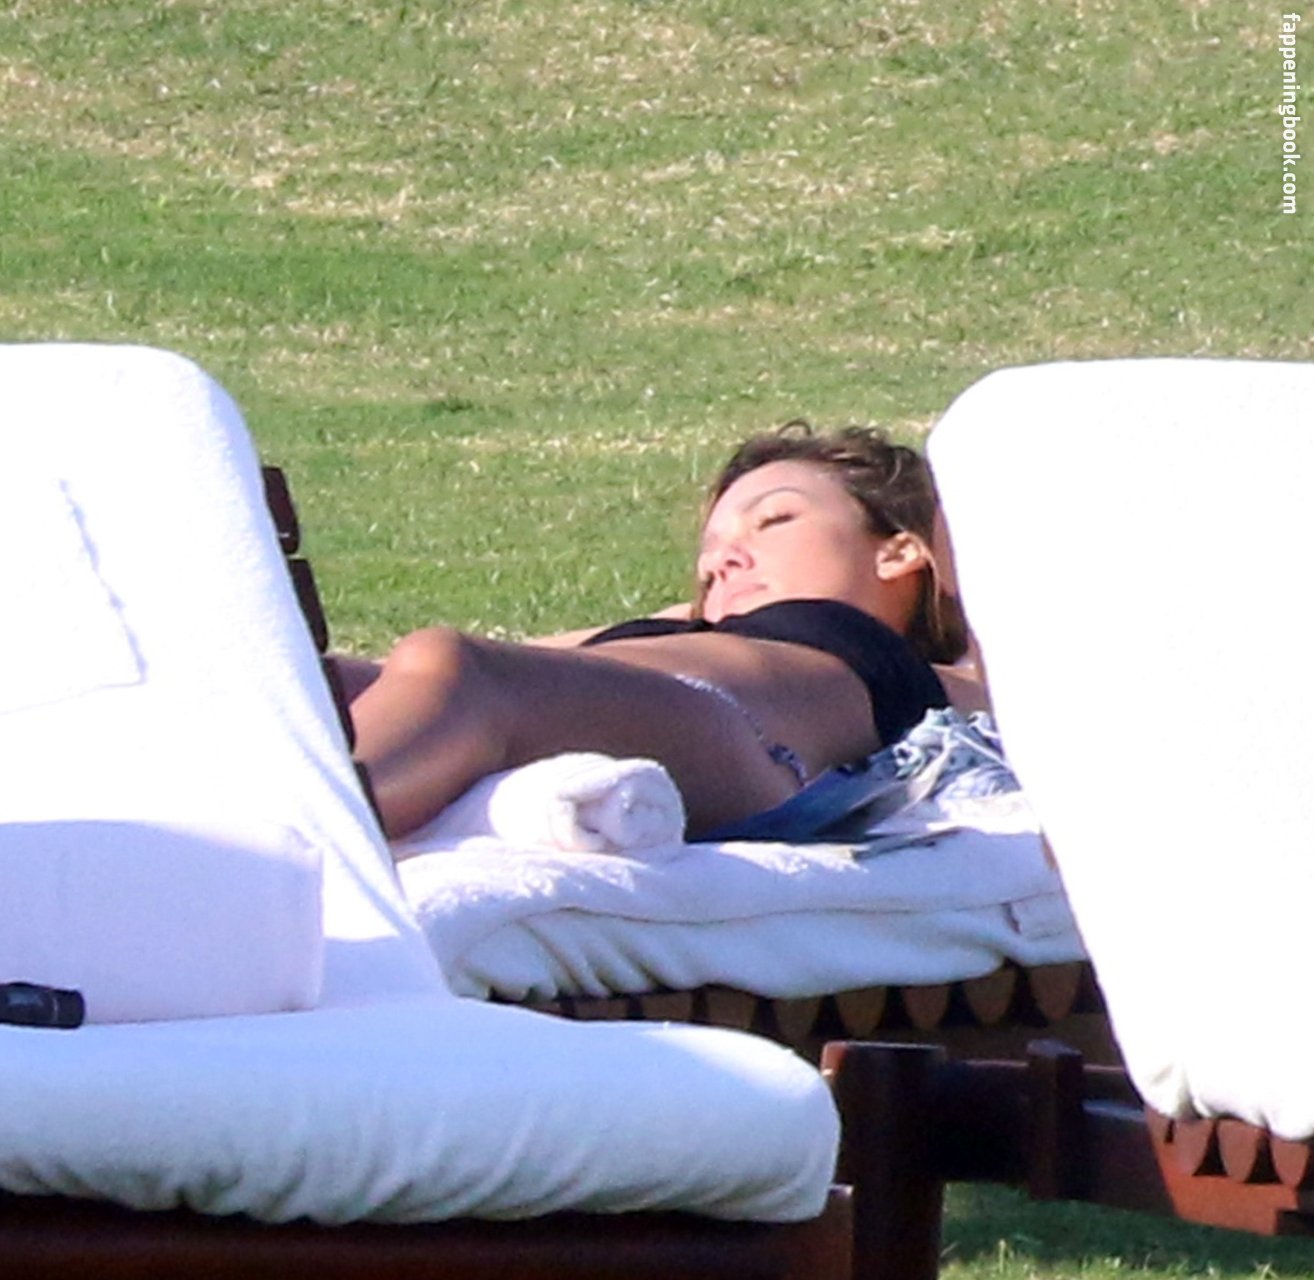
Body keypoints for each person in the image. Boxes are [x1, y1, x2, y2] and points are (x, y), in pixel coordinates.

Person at [340, 423, 984, 843]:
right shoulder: (690, 630)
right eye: (711, 548)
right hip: (642, 711)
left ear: (900, 551)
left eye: (774, 520)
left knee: (451, 664)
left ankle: (309, 840)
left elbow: (1014, 668)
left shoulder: (910, 668)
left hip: (743, 743)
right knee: (338, 679)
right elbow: (469, 668)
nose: (721, 558)